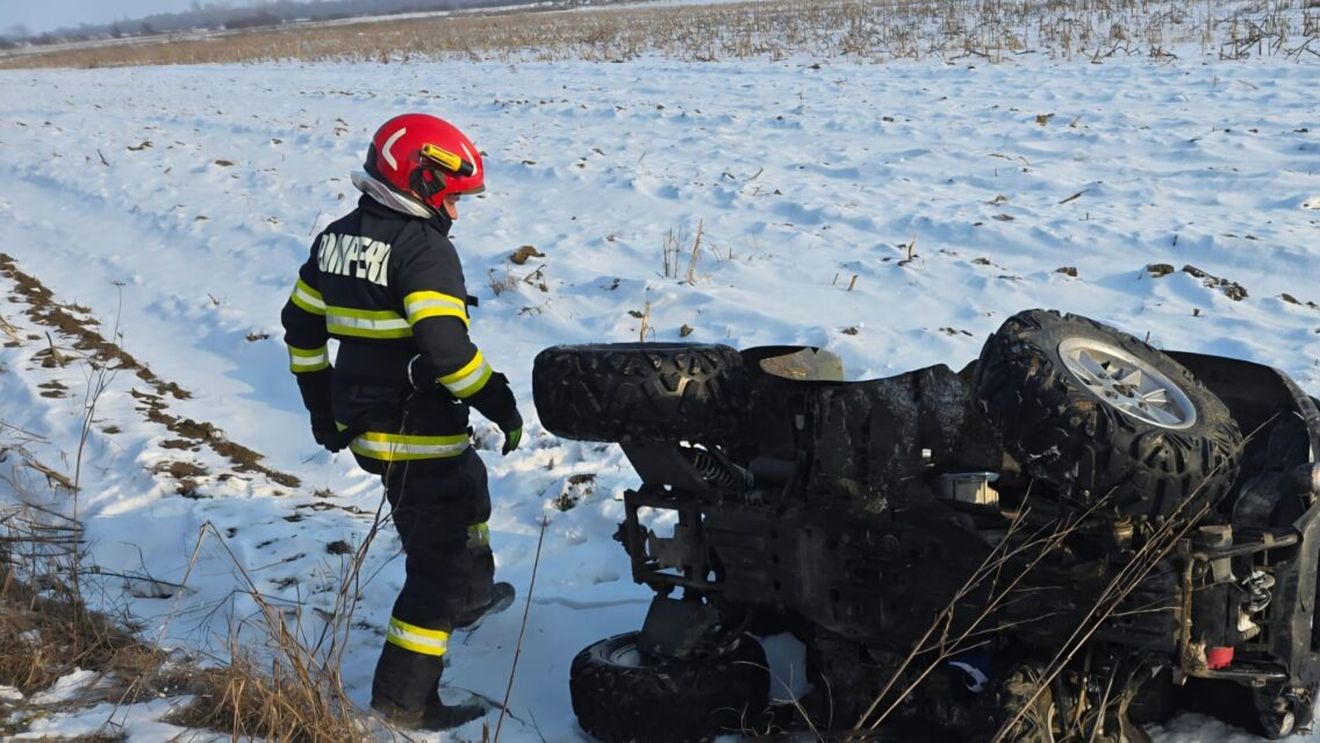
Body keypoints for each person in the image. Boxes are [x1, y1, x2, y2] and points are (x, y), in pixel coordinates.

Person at [280, 113, 523, 731]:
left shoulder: (336, 238)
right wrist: (500, 401)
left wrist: (322, 409)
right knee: (436, 567)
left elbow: (300, 327)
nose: (456, 213)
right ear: (420, 178)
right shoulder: (424, 249)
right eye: (453, 197)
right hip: (419, 432)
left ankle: (473, 596)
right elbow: (448, 353)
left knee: (469, 489)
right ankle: (404, 699)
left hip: (368, 426)